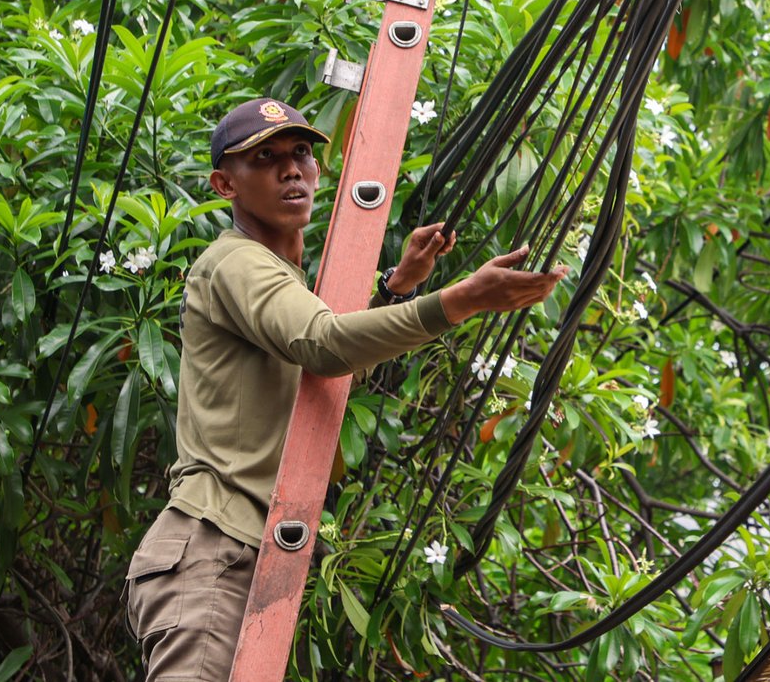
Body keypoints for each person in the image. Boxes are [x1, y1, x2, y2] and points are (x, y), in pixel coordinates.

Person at [125, 98, 566, 679]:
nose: (292, 169)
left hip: (236, 555)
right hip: (212, 548)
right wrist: (459, 300)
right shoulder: (233, 261)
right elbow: (324, 345)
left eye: (302, 154)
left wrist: (396, 289)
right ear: (224, 185)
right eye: (266, 158)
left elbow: (323, 376)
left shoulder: (280, 279)